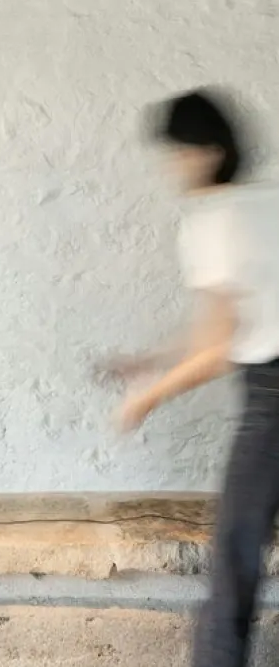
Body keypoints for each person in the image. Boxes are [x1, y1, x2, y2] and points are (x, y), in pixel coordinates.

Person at [111, 88, 279, 667]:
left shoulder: (214, 220)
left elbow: (221, 347)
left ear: (209, 151)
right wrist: (156, 358)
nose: (174, 166)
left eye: (179, 152)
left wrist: (147, 398)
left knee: (234, 555)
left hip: (272, 399)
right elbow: (233, 320)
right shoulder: (264, 201)